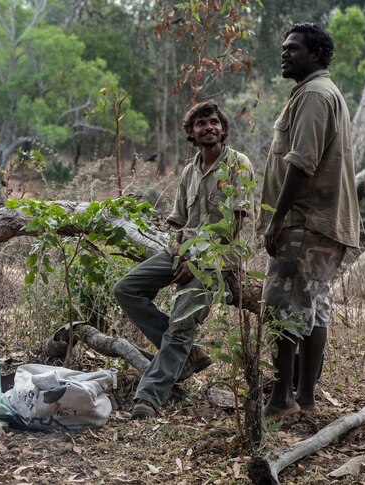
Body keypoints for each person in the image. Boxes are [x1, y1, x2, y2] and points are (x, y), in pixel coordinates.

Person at [113, 101, 253, 420]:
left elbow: (238, 224)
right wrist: (177, 248)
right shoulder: (190, 172)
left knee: (181, 321)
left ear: (224, 128)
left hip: (219, 260)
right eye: (201, 123)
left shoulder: (237, 164)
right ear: (190, 133)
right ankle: (189, 354)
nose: (209, 127)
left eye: (214, 122)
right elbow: (177, 221)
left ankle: (148, 398)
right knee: (126, 289)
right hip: (185, 254)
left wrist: (198, 260)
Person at [259, 23, 359, 420]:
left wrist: (277, 219)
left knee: (281, 308)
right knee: (313, 307)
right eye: (283, 48)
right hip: (320, 224)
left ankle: (282, 399)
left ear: (315, 55)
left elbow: (302, 163)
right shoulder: (314, 92)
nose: (285, 54)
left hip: (304, 223)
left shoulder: (316, 95)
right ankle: (305, 399)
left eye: (293, 49)